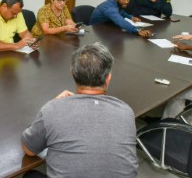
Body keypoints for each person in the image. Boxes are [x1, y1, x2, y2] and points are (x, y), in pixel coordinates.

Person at [21, 42, 138, 178]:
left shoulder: (52, 110)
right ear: (108, 78)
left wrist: (53, 105)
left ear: (73, 74)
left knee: (30, 175)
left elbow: (28, 150)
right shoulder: (126, 111)